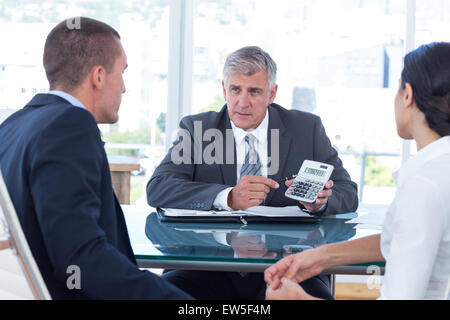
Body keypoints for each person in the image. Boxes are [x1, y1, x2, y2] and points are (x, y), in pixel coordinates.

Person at [0, 17, 192, 299]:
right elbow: (81, 260)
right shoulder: (69, 124)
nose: (124, 88)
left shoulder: (12, 126)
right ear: (99, 76)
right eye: (122, 72)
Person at [147, 46, 358, 299]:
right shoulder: (197, 129)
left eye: (254, 91)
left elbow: (348, 192)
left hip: (287, 268)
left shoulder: (306, 128)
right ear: (224, 90)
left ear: (272, 93)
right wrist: (228, 197)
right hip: (206, 268)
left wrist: (319, 204)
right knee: (162, 295)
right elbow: (158, 187)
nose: (242, 102)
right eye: (235, 90)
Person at [265, 42, 450, 300]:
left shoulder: (423, 185)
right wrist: (320, 256)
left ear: (407, 95)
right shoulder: (439, 170)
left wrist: (297, 299)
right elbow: (403, 241)